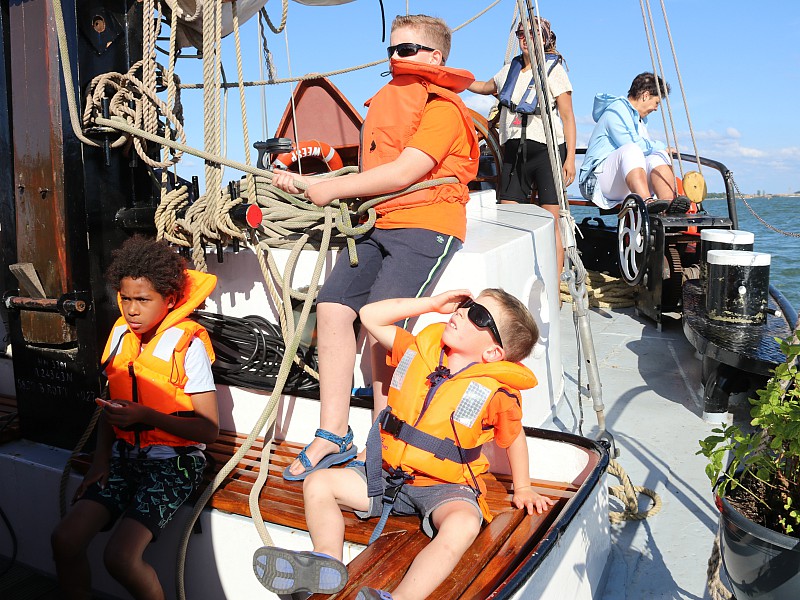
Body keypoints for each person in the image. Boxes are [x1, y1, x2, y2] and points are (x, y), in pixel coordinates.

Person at [268, 14, 480, 480]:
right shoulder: (389, 100)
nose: (393, 57)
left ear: (434, 57)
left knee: (383, 324)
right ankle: (332, 433)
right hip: (378, 220)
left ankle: (382, 442)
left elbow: (404, 173)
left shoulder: (442, 109)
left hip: (427, 225)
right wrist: (310, 184)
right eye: (391, 49)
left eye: (405, 50)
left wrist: (327, 188)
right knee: (332, 308)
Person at [252, 288, 555, 600]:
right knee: (318, 483)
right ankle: (326, 560)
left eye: (478, 316)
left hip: (444, 486)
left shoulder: (496, 394)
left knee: (463, 524)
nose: (462, 312)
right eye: (468, 305)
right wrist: (432, 304)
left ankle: (400, 598)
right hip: (385, 475)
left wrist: (522, 488)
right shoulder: (420, 350)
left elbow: (513, 437)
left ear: (493, 353)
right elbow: (370, 316)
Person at [51, 236, 219, 600]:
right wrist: (100, 461)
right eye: (126, 299)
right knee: (64, 539)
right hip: (123, 460)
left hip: (175, 465)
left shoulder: (187, 347)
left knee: (121, 558)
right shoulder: (120, 339)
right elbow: (110, 412)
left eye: (143, 300)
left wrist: (148, 416)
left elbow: (209, 428)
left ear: (170, 300)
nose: (132, 310)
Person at [468, 16, 576, 282]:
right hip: (513, 153)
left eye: (533, 33)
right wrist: (450, 79)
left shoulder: (555, 71)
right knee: (509, 219)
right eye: (521, 33)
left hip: (546, 153)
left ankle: (554, 284)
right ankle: (516, 281)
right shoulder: (508, 71)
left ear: (545, 38)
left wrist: (570, 159)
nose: (525, 38)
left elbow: (568, 118)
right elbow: (483, 87)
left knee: (552, 222)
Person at [579, 72, 690, 214]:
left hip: (624, 180)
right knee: (632, 149)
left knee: (659, 155)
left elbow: (648, 151)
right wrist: (662, 146)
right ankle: (646, 201)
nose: (656, 108)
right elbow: (632, 144)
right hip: (595, 183)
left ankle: (668, 204)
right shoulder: (616, 111)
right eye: (656, 102)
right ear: (645, 95)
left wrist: (662, 151)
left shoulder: (639, 121)